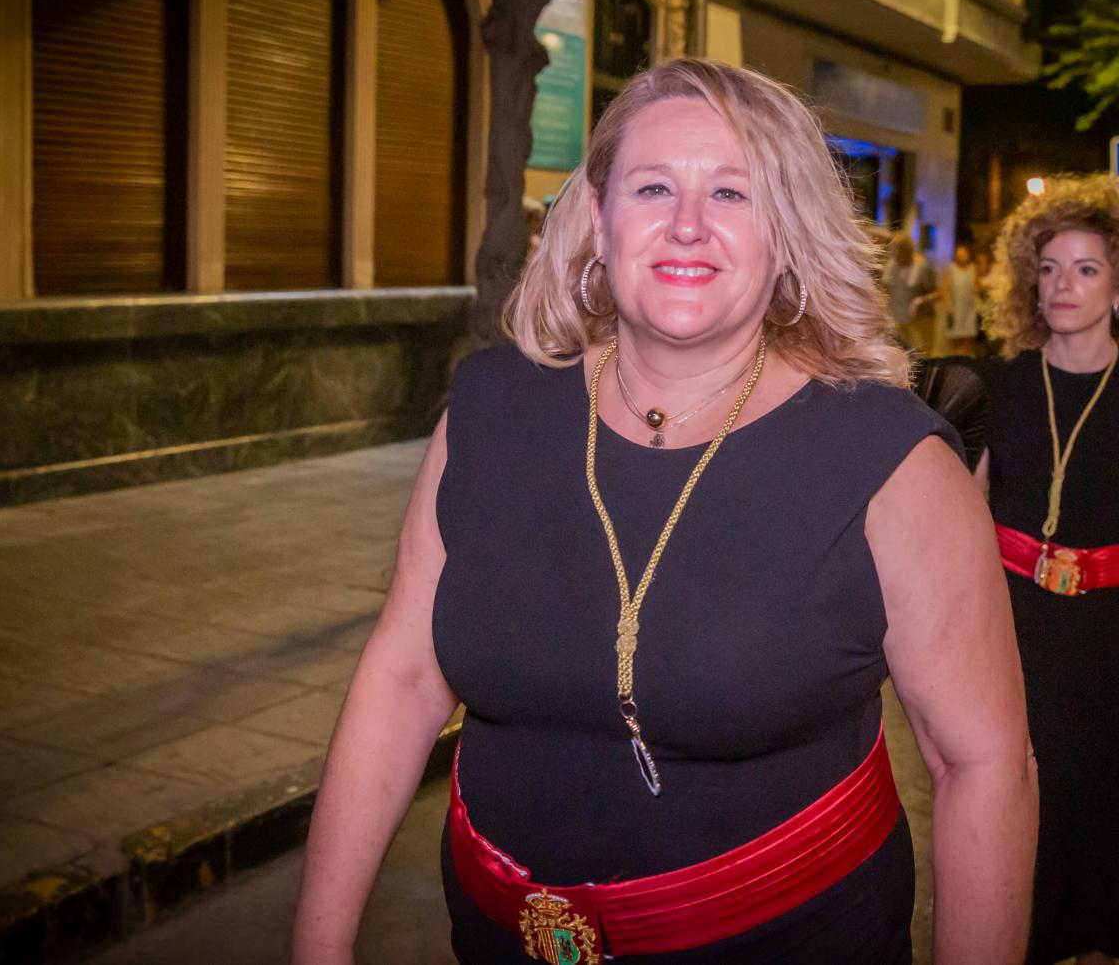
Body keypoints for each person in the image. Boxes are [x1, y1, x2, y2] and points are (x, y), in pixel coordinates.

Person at [291, 58, 1037, 964]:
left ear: (789, 233)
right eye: (653, 186)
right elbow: (403, 676)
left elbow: (984, 767)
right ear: (598, 221)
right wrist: (317, 949)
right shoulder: (488, 412)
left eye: (733, 192)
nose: (688, 224)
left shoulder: (893, 461)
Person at [975, 175, 1119, 965]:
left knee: (1105, 829)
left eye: (1085, 269)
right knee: (1013, 822)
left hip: (1113, 649)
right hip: (1010, 636)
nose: (1061, 285)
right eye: (1048, 268)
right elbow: (968, 531)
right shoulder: (997, 384)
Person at [887, 232, 936, 354]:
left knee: (921, 357)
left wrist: (920, 300)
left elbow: (938, 292)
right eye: (893, 252)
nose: (895, 256)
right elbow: (888, 291)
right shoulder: (891, 268)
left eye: (897, 252)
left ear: (907, 251)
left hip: (920, 322)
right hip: (898, 321)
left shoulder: (921, 269)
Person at [937, 241, 980, 355]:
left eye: (964, 254)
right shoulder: (951, 269)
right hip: (955, 308)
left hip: (969, 307)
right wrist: (948, 307)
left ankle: (967, 356)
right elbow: (944, 290)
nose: (962, 257)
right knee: (955, 337)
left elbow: (976, 286)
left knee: (969, 335)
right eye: (960, 254)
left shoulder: (972, 268)